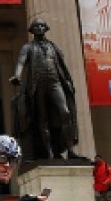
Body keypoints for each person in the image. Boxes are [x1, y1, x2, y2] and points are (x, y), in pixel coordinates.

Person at [10, 17, 79, 161]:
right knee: (43, 119)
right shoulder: (28, 47)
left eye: (42, 26)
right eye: (36, 26)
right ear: (32, 30)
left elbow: (62, 65)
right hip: (38, 86)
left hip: (55, 83)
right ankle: (48, 153)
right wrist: (17, 75)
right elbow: (21, 61)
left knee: (65, 113)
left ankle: (70, 149)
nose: (40, 28)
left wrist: (68, 82)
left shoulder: (54, 47)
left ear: (46, 28)